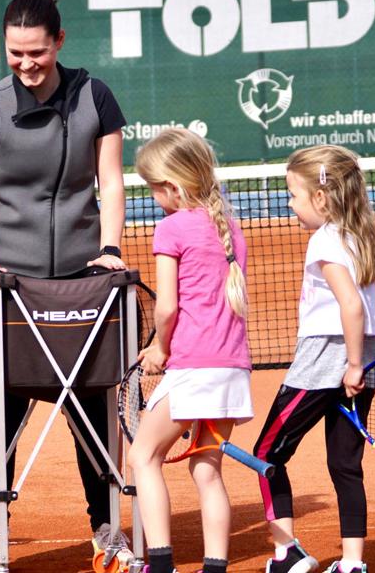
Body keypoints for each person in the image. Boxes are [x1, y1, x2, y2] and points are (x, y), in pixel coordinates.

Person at [0, 0, 129, 569]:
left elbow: (110, 179)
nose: (26, 63)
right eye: (14, 53)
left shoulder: (95, 96)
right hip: (8, 287)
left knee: (94, 409)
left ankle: (107, 528)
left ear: (60, 40)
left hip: (85, 281)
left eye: (37, 51)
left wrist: (109, 248)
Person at [253, 145, 375, 573]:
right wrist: (357, 365)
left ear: (322, 198)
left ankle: (286, 552)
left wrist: (348, 365)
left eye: (294, 195)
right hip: (364, 362)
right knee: (345, 465)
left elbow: (350, 305)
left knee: (266, 454)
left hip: (326, 363)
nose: (289, 204)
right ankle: (352, 564)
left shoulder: (324, 241)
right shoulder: (361, 236)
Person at [126, 128, 253, 573]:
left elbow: (167, 307)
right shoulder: (230, 229)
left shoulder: (172, 227)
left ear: (173, 186)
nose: (153, 197)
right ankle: (214, 567)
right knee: (208, 471)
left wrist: (159, 350)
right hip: (232, 371)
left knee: (142, 456)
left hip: (193, 369)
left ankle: (160, 565)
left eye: (153, 187)